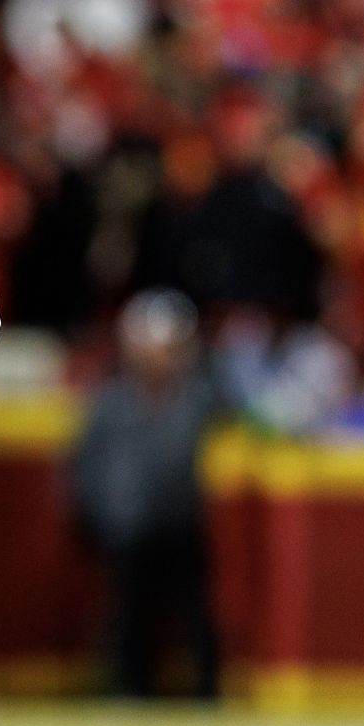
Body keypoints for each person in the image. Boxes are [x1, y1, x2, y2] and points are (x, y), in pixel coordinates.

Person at [71, 290, 221, 700]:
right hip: (127, 527)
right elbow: (85, 463)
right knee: (127, 614)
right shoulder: (112, 401)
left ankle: (205, 693)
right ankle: (127, 689)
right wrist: (91, 515)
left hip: (183, 523)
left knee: (196, 614)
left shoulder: (201, 397)